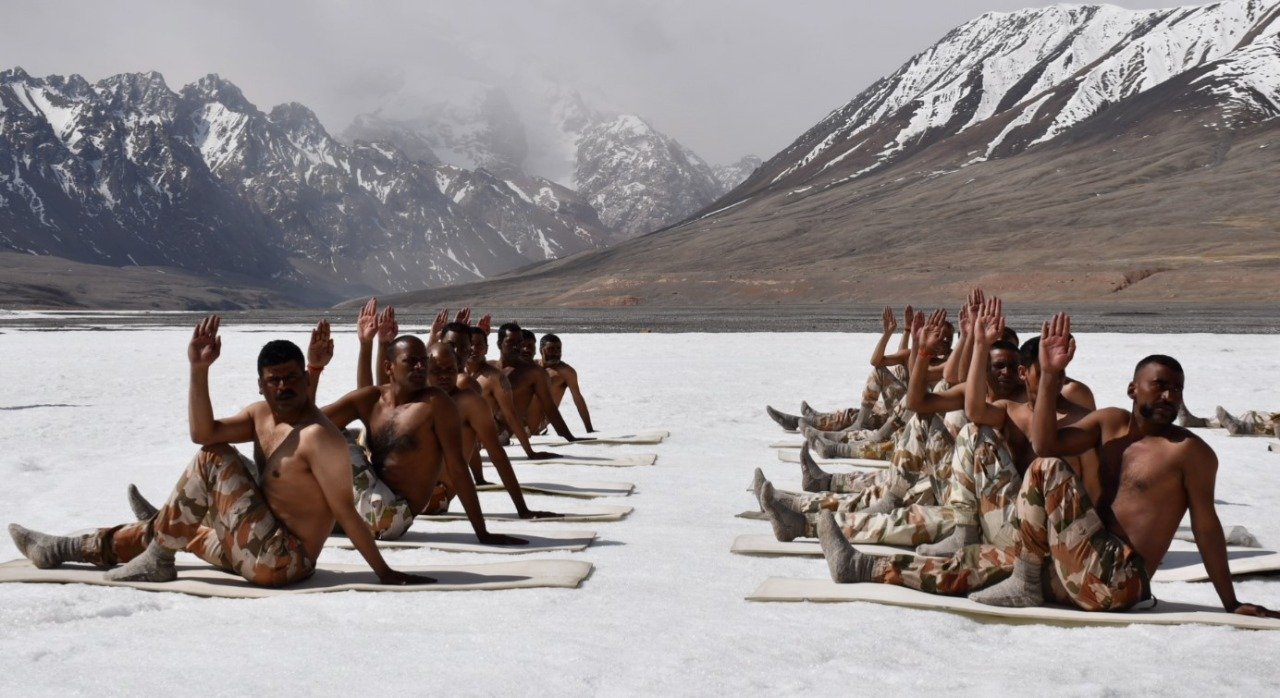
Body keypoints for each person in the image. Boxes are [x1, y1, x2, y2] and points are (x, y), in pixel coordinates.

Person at [818, 314, 1280, 618]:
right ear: (1132, 390)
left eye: (1175, 390)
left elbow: (1206, 526)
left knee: (1045, 470)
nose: (1168, 398)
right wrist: (1051, 375)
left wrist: (1230, 602)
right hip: (1073, 561)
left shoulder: (1190, 452)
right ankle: (860, 567)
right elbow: (1046, 439)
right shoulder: (1111, 424)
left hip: (1119, 580)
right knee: (975, 564)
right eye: (1158, 387)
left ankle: (1025, 580)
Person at [8, 316, 432, 586]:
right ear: (261, 385)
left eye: (291, 377)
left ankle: (161, 549)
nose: (283, 386)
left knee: (216, 459)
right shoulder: (259, 415)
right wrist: (199, 370)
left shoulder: (319, 438)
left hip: (284, 561)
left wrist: (386, 573)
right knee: (178, 526)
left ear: (305, 378)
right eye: (274, 380)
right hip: (253, 546)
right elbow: (202, 430)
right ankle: (60, 550)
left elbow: (345, 511)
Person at [318, 334, 525, 546]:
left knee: (334, 438)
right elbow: (304, 421)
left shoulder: (436, 404)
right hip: (372, 506)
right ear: (389, 367)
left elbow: (458, 468)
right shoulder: (370, 398)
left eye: (423, 362)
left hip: (393, 514)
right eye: (411, 361)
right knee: (335, 434)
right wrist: (315, 369)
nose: (419, 367)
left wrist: (482, 532)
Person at [420, 341, 559, 519]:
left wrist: (522, 509)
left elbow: (497, 455)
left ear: (458, 368)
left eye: (450, 370)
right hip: (406, 489)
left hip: (431, 497)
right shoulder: (420, 397)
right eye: (436, 371)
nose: (444, 376)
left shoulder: (469, 401)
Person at [494, 322, 581, 444]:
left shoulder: (534, 373)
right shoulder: (490, 368)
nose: (518, 347)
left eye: (519, 343)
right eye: (511, 342)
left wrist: (569, 437)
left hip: (504, 433)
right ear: (499, 344)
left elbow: (550, 408)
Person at [526, 333, 596, 435]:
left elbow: (578, 399)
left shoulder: (566, 372)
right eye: (551, 349)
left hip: (537, 423)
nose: (556, 353)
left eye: (558, 349)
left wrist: (589, 429)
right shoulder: (531, 365)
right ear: (541, 350)